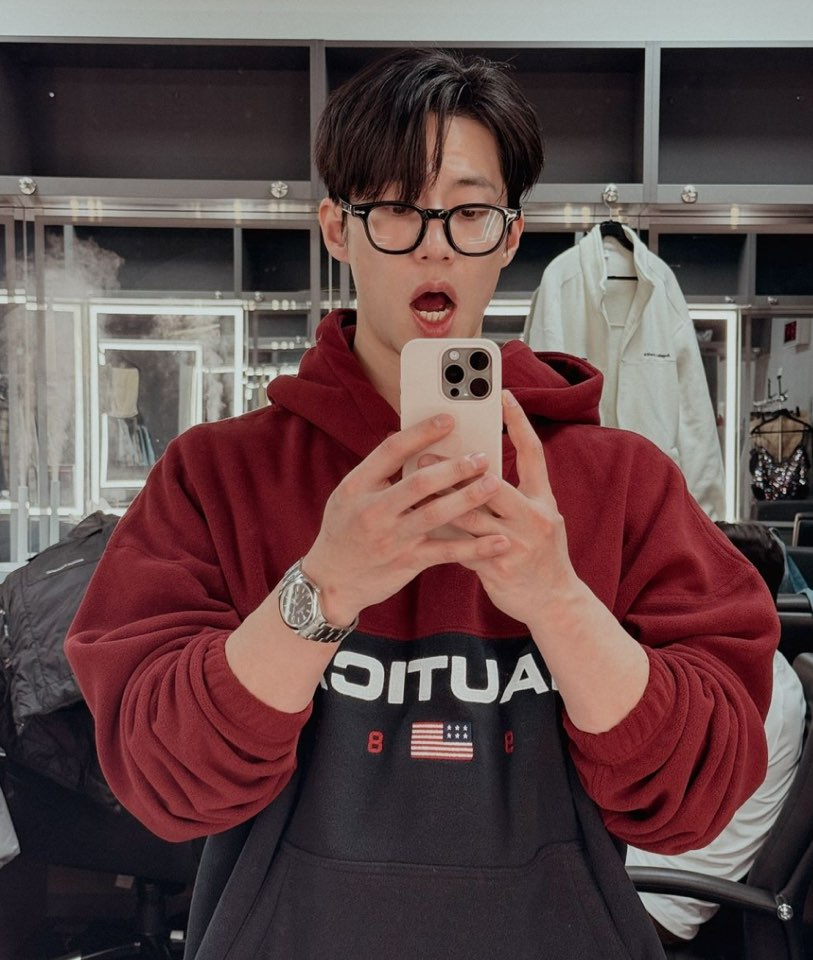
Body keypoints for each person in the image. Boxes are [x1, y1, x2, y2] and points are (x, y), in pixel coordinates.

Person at [65, 49, 778, 960]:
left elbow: (697, 797)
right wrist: (321, 589)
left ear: (510, 236)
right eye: (398, 209)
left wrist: (558, 603)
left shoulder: (623, 482)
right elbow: (163, 782)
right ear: (338, 227)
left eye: (469, 211)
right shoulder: (216, 475)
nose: (435, 244)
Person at [626, 520, 806, 944]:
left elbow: (641, 788)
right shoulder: (758, 666)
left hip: (658, 898)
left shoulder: (748, 694)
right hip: (653, 868)